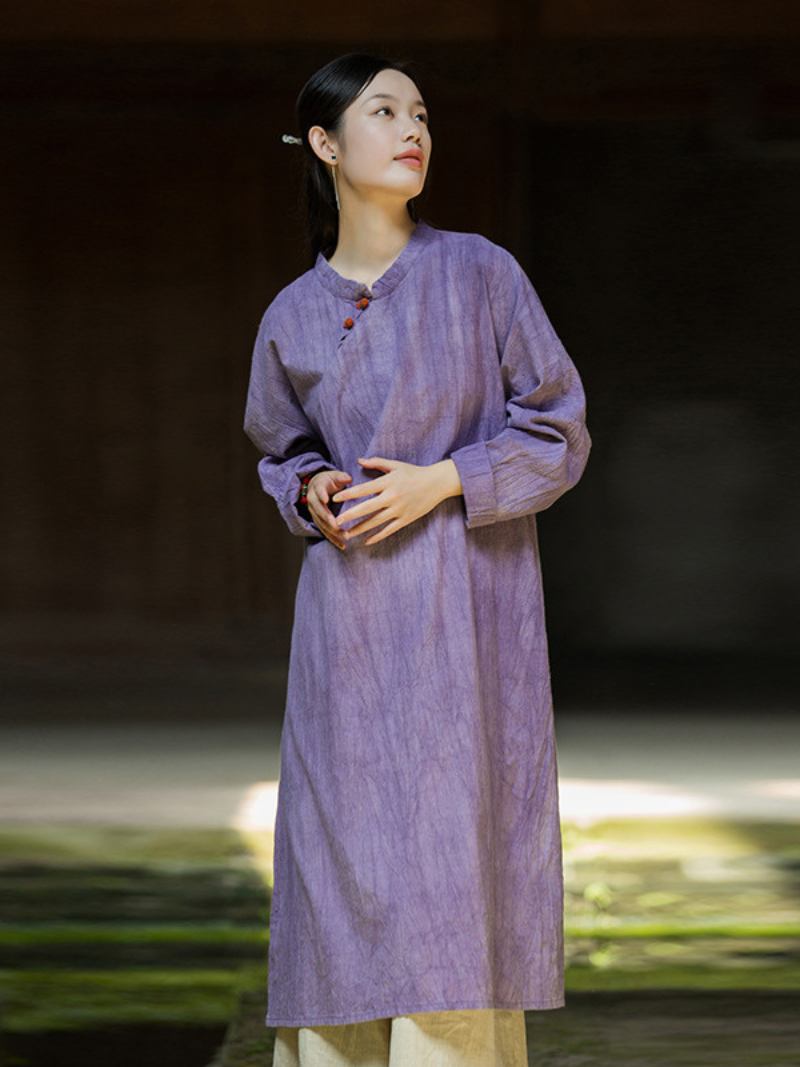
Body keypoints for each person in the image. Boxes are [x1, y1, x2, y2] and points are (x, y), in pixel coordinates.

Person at [244, 51, 591, 1067]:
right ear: (324, 144)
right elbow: (281, 447)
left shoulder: (480, 272)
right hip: (346, 625)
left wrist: (438, 480)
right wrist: (309, 486)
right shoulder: (291, 313)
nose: (413, 130)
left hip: (461, 614)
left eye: (422, 114)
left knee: (447, 857)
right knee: (336, 853)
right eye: (384, 112)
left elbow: (557, 430)